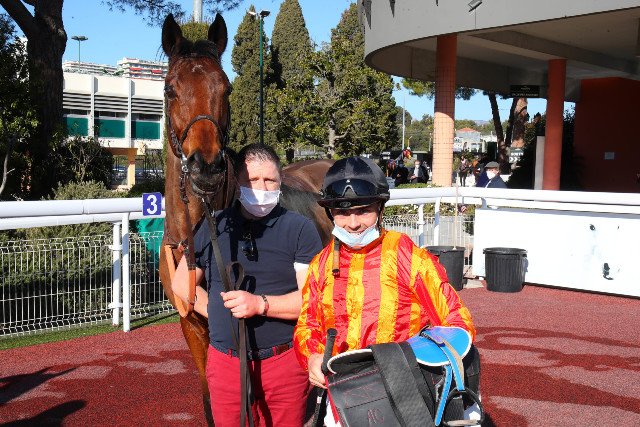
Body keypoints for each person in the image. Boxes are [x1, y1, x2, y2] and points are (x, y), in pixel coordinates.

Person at [293, 156, 479, 426]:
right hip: (344, 398)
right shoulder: (319, 266)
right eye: (342, 212)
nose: (353, 223)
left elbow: (457, 322)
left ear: (380, 209)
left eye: (363, 211)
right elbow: (307, 325)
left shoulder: (410, 258)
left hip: (406, 399)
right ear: (330, 213)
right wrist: (312, 356)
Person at [172, 143, 323, 426]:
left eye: (270, 180)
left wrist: (259, 305)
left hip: (284, 362)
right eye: (252, 180)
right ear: (237, 182)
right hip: (225, 363)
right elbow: (182, 285)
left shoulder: (300, 228)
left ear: (280, 182)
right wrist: (220, 310)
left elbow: (312, 302)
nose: (262, 188)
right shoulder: (213, 225)